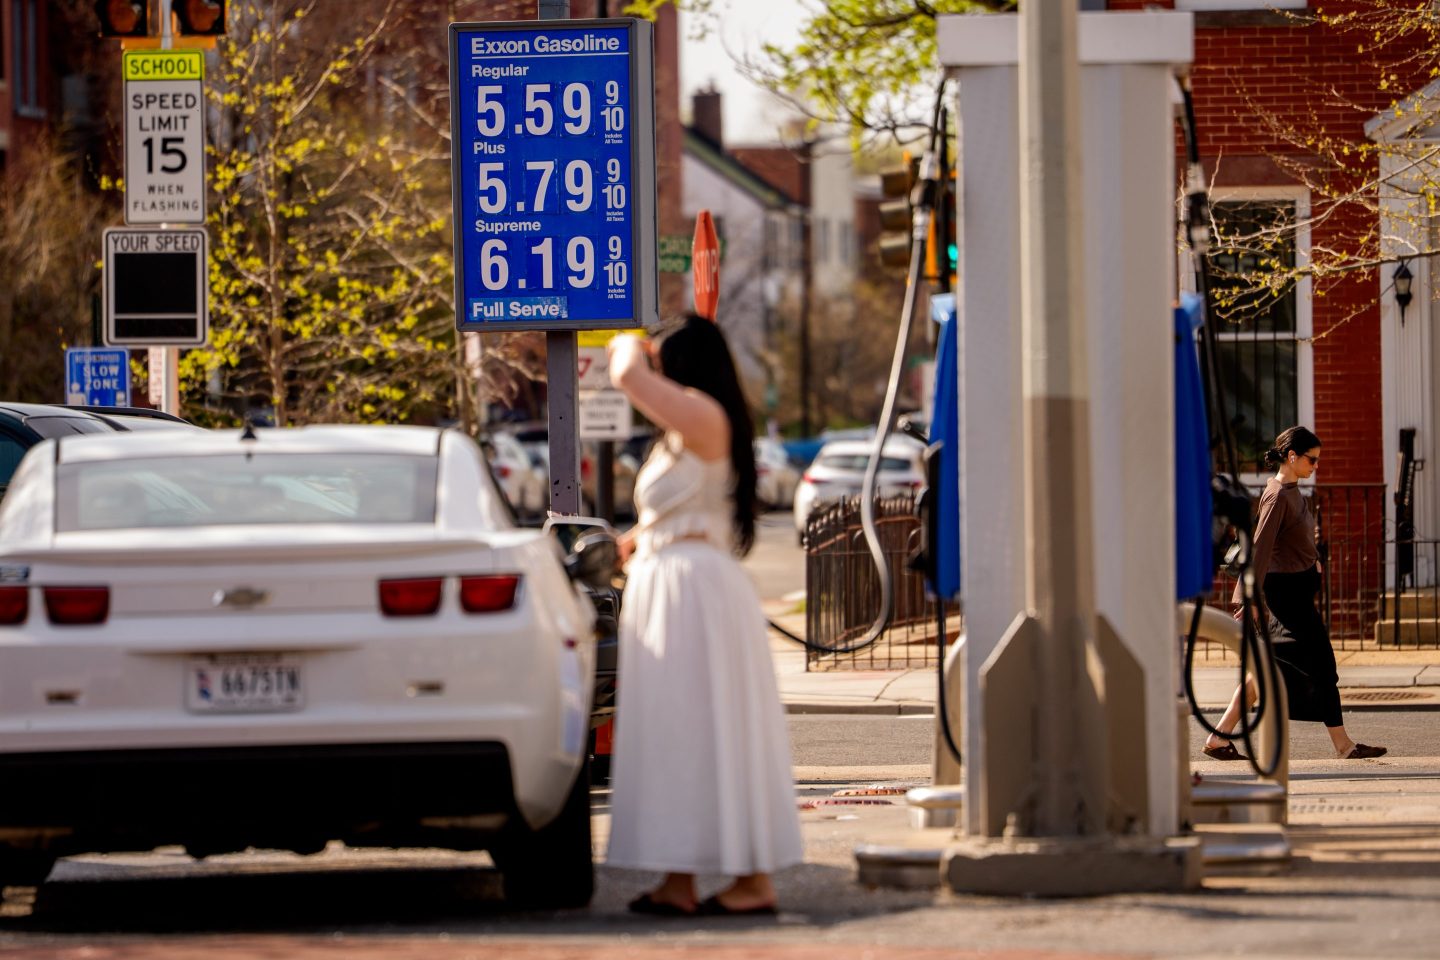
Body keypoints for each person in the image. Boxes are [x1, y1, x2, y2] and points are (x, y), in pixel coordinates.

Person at [603, 315, 803, 917]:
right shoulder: (683, 430)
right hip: (673, 587)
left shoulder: (705, 416)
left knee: (705, 726)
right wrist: (635, 542)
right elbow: (677, 509)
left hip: (694, 594)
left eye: (664, 360)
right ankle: (679, 877)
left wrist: (628, 341)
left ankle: (750, 879)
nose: (657, 371)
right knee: (679, 730)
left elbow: (626, 375)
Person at [1203, 426, 1387, 761]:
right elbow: (1260, 548)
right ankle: (1344, 746)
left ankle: (1218, 737)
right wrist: (1248, 599)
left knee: (1264, 671)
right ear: (1291, 456)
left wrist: (1312, 561)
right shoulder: (1277, 495)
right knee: (1323, 666)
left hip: (1294, 596)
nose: (1316, 465)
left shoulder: (1290, 491)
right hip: (1286, 601)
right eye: (1311, 459)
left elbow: (1288, 543)